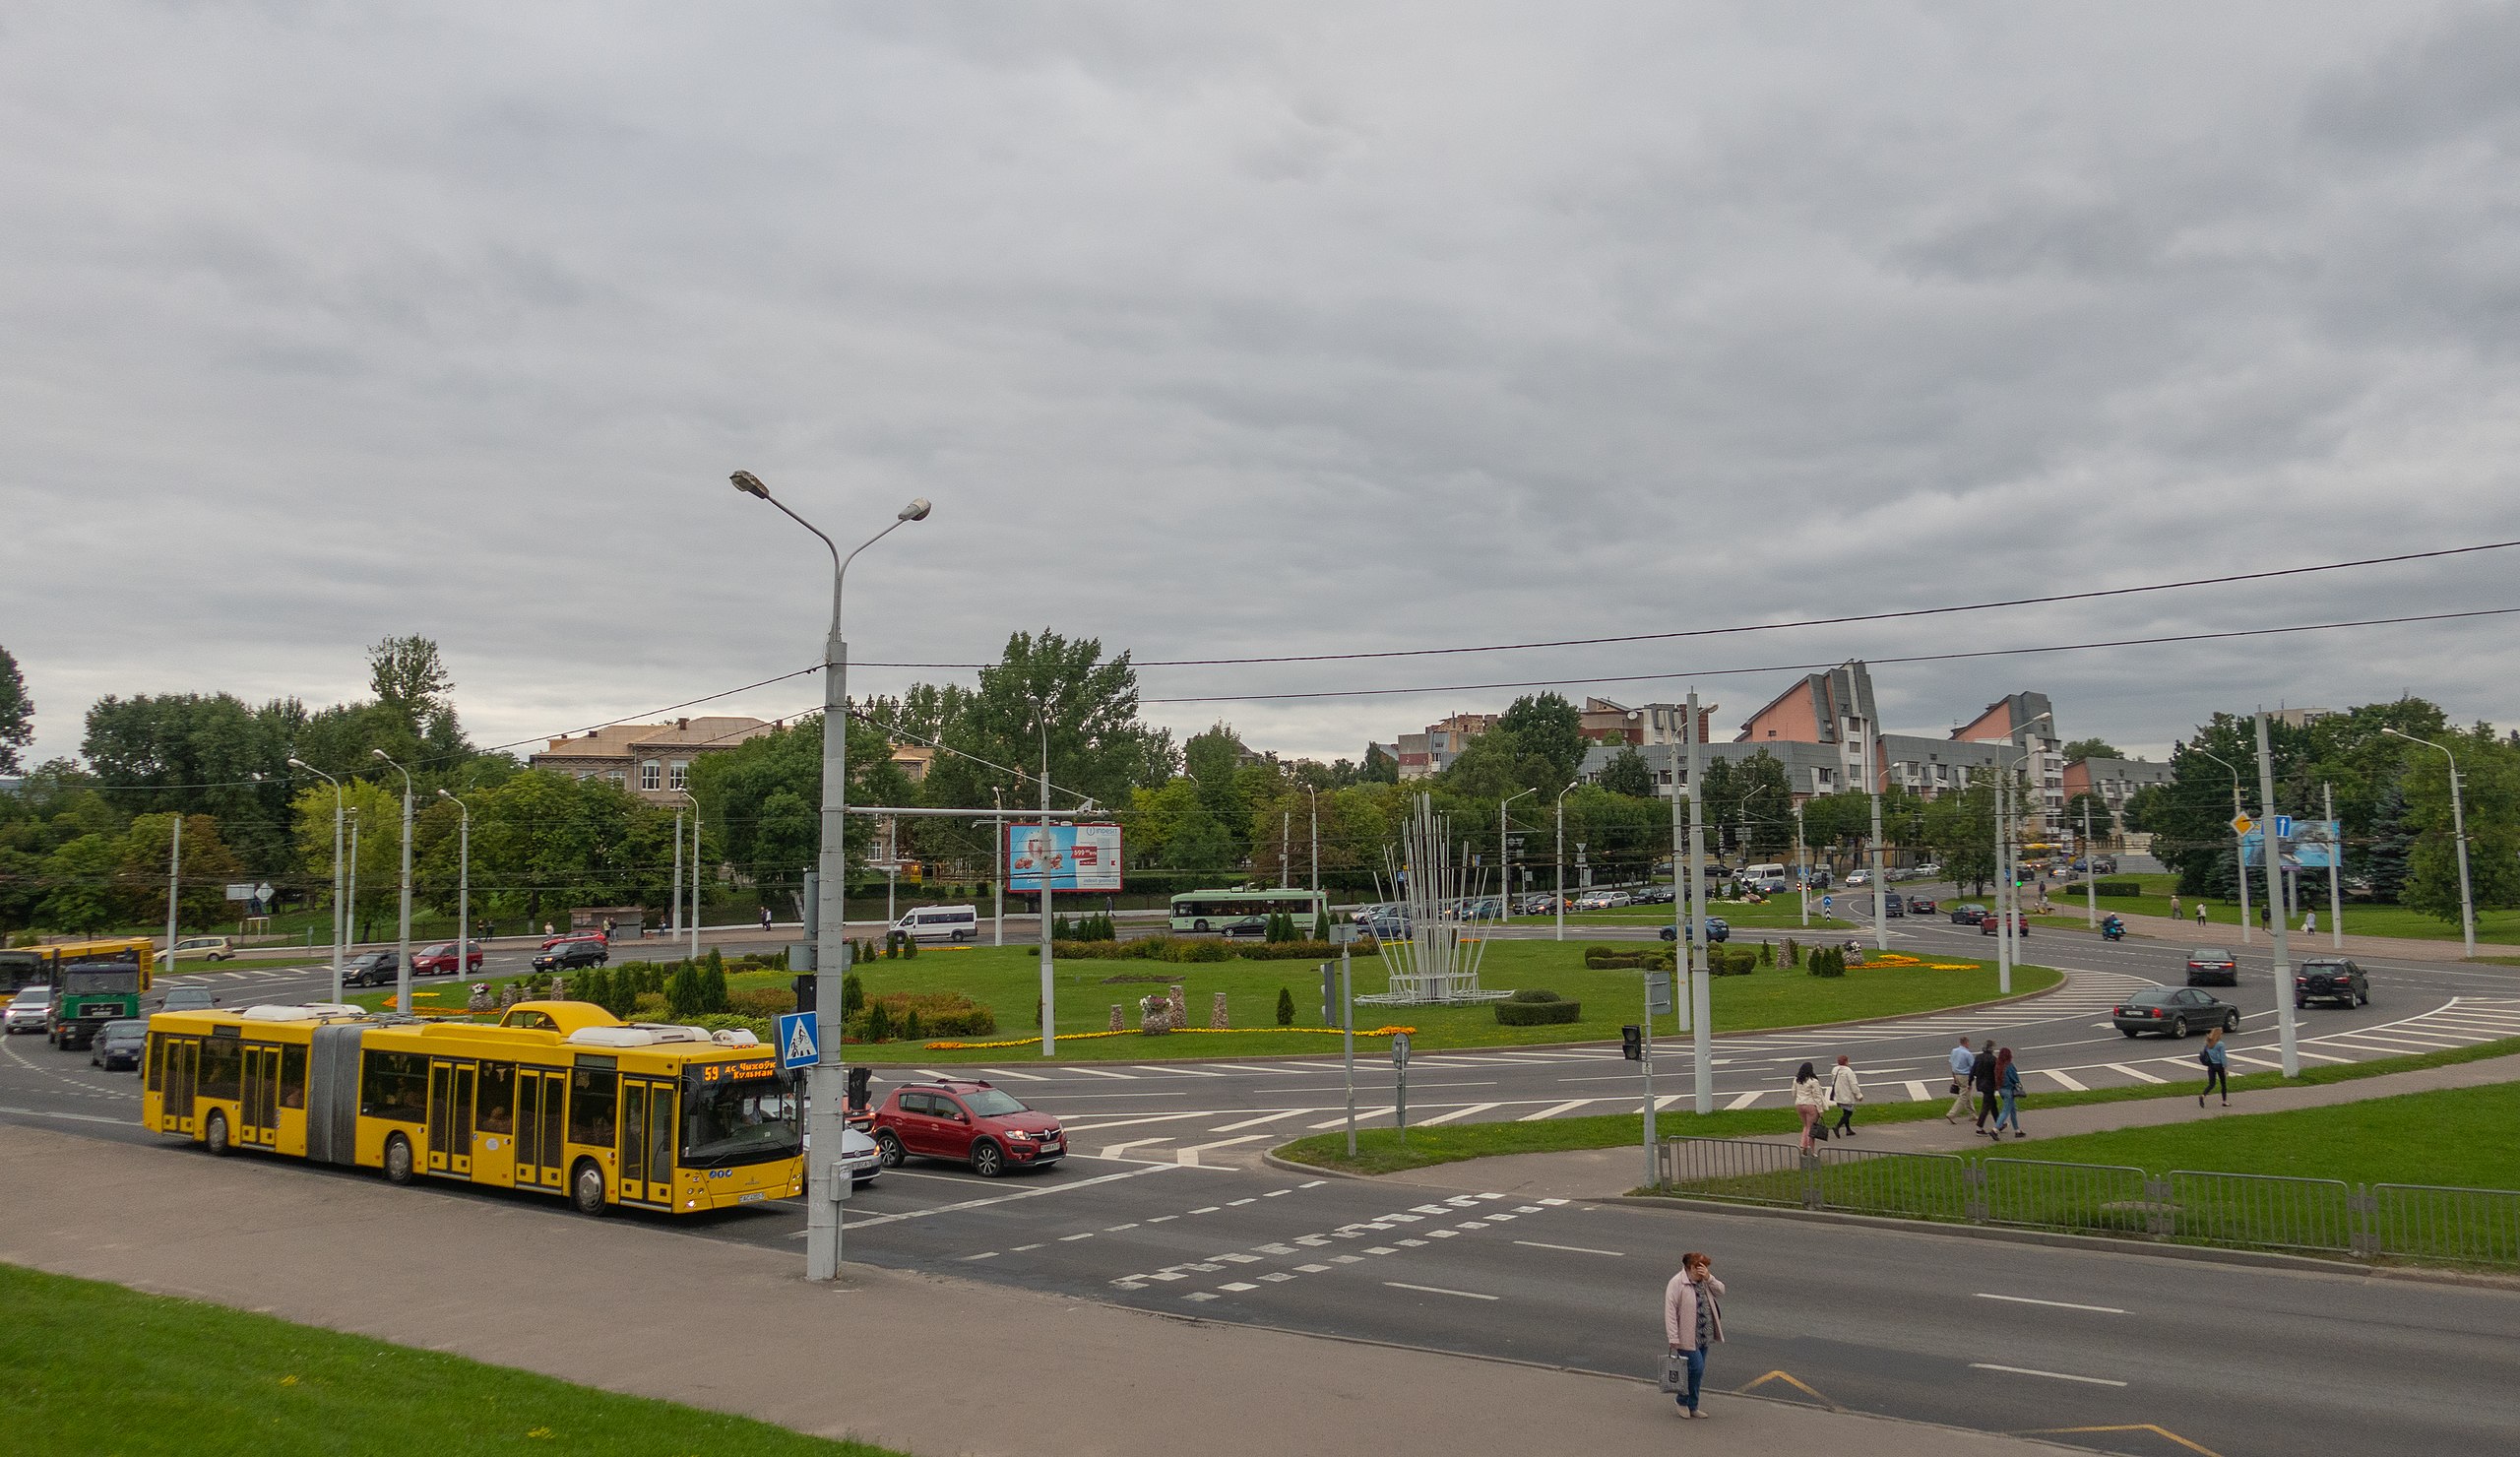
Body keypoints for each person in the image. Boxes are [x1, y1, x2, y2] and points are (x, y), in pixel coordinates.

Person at [1664, 1251, 1726, 1419]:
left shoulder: (1704, 1281)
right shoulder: (1677, 1283)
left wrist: (1709, 1277)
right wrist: (1673, 1337)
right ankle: (1682, 1401)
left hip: (1704, 1335)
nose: (1704, 1270)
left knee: (1698, 1371)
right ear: (1691, 1267)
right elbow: (1670, 1312)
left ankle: (1693, 1405)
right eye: (1701, 1267)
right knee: (1696, 1368)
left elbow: (1721, 1291)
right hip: (1686, 1337)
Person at [1989, 1047, 2026, 1138]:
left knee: (2013, 1110)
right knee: (2005, 1111)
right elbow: (2015, 1079)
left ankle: (2017, 1130)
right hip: (2009, 1090)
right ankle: (1995, 1130)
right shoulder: (2009, 1066)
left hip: (2001, 1090)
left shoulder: (1998, 1066)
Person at [1793, 1063, 1826, 1152]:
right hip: (1810, 1105)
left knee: (1806, 1126)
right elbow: (1817, 1096)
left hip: (1799, 1105)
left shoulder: (1796, 1080)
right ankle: (1810, 1148)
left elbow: (1793, 1092)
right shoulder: (1813, 1081)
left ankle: (1803, 1145)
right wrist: (1820, 1109)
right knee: (1811, 1129)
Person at [1829, 1054, 1863, 1137]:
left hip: (1838, 1093)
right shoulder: (1848, 1071)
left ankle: (1848, 1130)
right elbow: (1853, 1084)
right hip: (1847, 1094)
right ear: (1846, 1062)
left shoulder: (1835, 1069)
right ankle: (1837, 1126)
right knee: (1849, 1113)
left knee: (1845, 1111)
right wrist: (1858, 1095)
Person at [1971, 1040, 2001, 1134]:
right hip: (1990, 1085)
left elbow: (1973, 1070)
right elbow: (1996, 1073)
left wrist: (1969, 1082)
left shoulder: (1978, 1057)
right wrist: (1998, 1084)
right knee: (1986, 1106)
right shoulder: (1993, 1059)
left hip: (1981, 1084)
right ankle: (1979, 1128)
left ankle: (1999, 1124)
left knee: (1993, 1105)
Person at [1946, 1037, 1977, 1123]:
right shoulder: (1967, 1054)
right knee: (1963, 1096)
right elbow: (1973, 1067)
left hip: (1956, 1075)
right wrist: (1972, 1079)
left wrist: (1954, 1077)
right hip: (1965, 1076)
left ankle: (1973, 1114)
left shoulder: (1954, 1051)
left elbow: (1952, 1063)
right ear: (1966, 1043)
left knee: (1967, 1095)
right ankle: (1952, 1114)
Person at [2200, 1027, 2231, 1107]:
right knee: (2223, 1084)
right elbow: (2223, 1057)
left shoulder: (2208, 1044)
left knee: (2211, 1084)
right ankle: (2224, 1101)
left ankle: (2203, 1095)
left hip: (2211, 1066)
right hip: (2219, 1066)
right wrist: (2225, 1068)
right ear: (2218, 1035)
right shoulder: (2220, 1044)